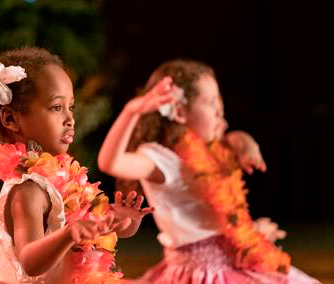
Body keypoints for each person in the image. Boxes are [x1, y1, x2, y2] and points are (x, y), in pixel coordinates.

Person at [98, 59, 321, 283]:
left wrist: (252, 233)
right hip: (200, 276)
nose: (219, 109)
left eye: (220, 101)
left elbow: (232, 140)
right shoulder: (159, 159)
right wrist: (132, 110)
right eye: (211, 101)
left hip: (235, 264)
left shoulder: (212, 151)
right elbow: (111, 162)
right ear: (180, 111)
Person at [0, 47, 153, 284]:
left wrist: (125, 221)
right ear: (11, 119)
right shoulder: (28, 191)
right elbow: (30, 261)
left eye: (71, 107)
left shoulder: (66, 178)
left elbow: (100, 231)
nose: (70, 119)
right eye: (57, 107)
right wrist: (69, 234)